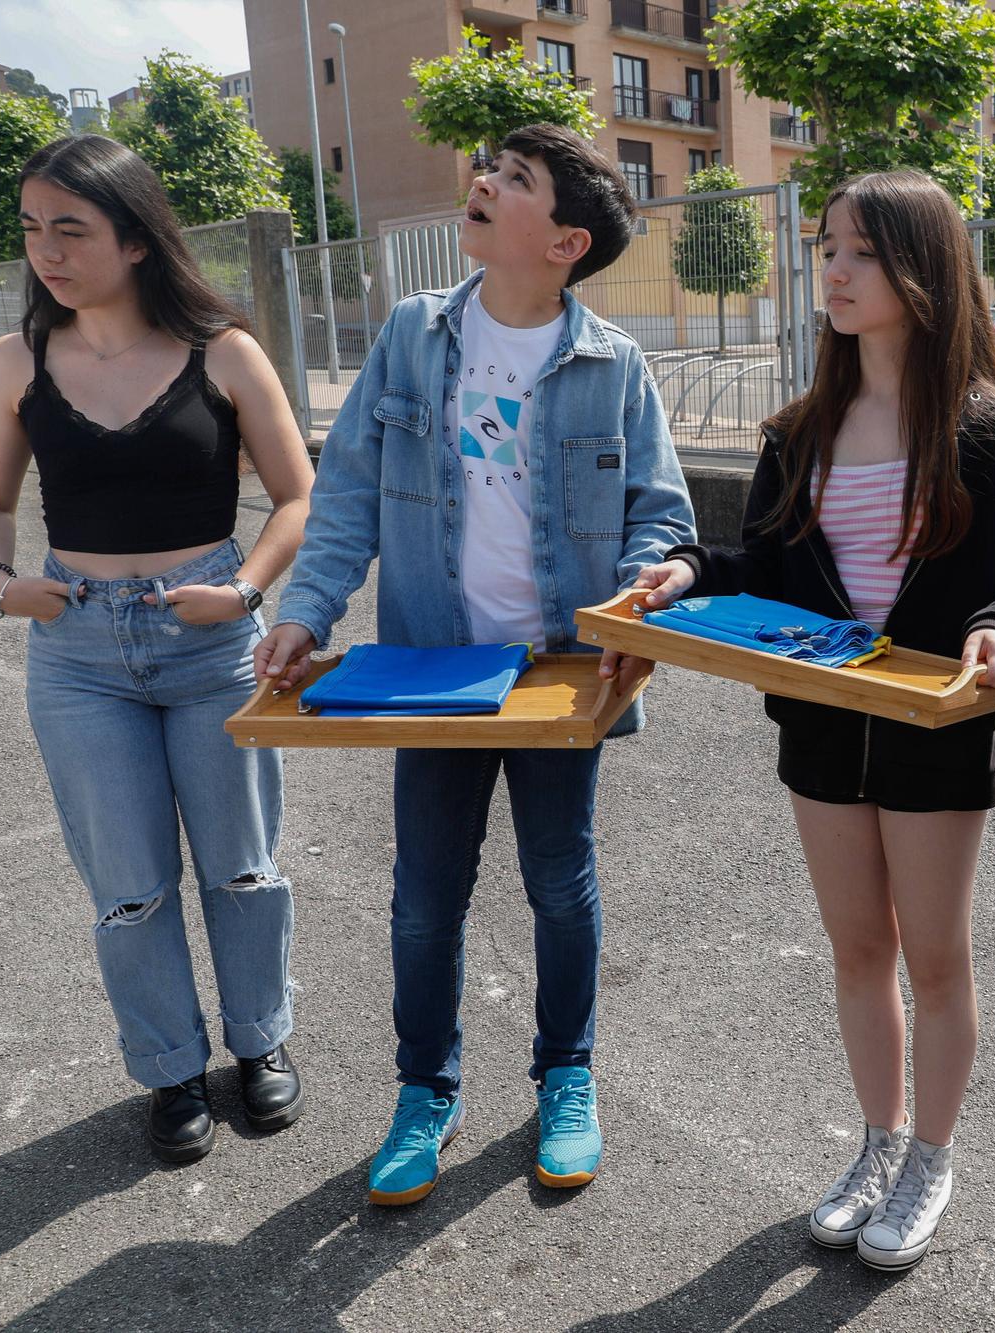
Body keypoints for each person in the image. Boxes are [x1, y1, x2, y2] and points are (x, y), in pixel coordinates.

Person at [612, 170, 995, 1272]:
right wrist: (682, 566)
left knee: (936, 958)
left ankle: (929, 1155)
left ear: (923, 268)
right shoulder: (801, 427)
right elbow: (761, 562)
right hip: (819, 721)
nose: (836, 269)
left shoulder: (988, 430)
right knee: (857, 949)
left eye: (862, 250)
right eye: (827, 247)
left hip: (933, 727)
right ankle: (874, 1143)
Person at [254, 124, 696, 1207]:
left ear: (564, 242)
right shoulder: (412, 336)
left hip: (558, 676)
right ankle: (424, 1090)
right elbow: (348, 492)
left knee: (560, 885)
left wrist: (641, 589)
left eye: (516, 180)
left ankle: (566, 1075)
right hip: (432, 669)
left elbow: (661, 514)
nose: (484, 183)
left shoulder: (614, 363)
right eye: (489, 170)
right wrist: (304, 614)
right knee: (423, 900)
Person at [0, 135, 314, 1162]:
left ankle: (260, 1042)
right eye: (32, 229)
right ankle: (168, 1069)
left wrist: (246, 588)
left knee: (242, 868)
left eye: (72, 228)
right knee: (127, 884)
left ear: (138, 239)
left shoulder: (224, 352)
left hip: (209, 641)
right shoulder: (14, 362)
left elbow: (296, 498)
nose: (46, 252)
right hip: (75, 650)